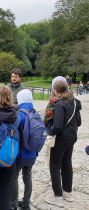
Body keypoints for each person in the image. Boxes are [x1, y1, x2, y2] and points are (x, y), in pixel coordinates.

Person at [44, 80, 82, 208]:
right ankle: (68, 192)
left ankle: (58, 196)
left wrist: (50, 133)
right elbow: (79, 122)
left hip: (61, 138)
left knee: (55, 165)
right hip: (72, 136)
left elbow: (58, 125)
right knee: (67, 163)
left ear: (55, 91)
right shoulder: (75, 102)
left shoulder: (60, 104)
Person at [10, 89, 37, 210]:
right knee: (28, 177)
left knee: (14, 177)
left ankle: (14, 203)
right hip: (32, 152)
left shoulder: (19, 114)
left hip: (20, 153)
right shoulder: (35, 113)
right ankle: (26, 204)